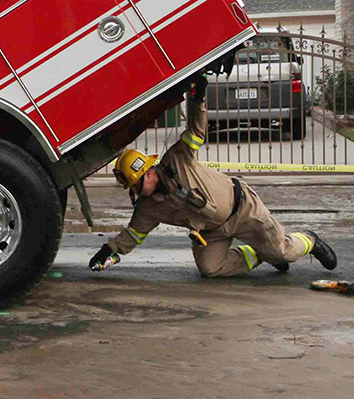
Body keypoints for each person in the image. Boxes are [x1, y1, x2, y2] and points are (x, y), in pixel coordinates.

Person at [90, 74, 337, 277]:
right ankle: (260, 254)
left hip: (242, 210)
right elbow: (133, 234)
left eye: (135, 185)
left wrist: (198, 100)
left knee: (283, 251)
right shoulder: (147, 208)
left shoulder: (177, 159)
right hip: (211, 232)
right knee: (210, 269)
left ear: (149, 172)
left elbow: (196, 131)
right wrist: (108, 250)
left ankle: (309, 240)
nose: (134, 192)